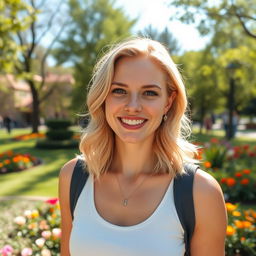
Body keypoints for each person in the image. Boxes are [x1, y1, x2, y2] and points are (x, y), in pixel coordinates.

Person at [59, 38, 227, 256]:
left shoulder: (201, 192)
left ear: (168, 102)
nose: (133, 106)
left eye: (149, 93)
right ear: (103, 98)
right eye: (119, 91)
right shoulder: (73, 177)